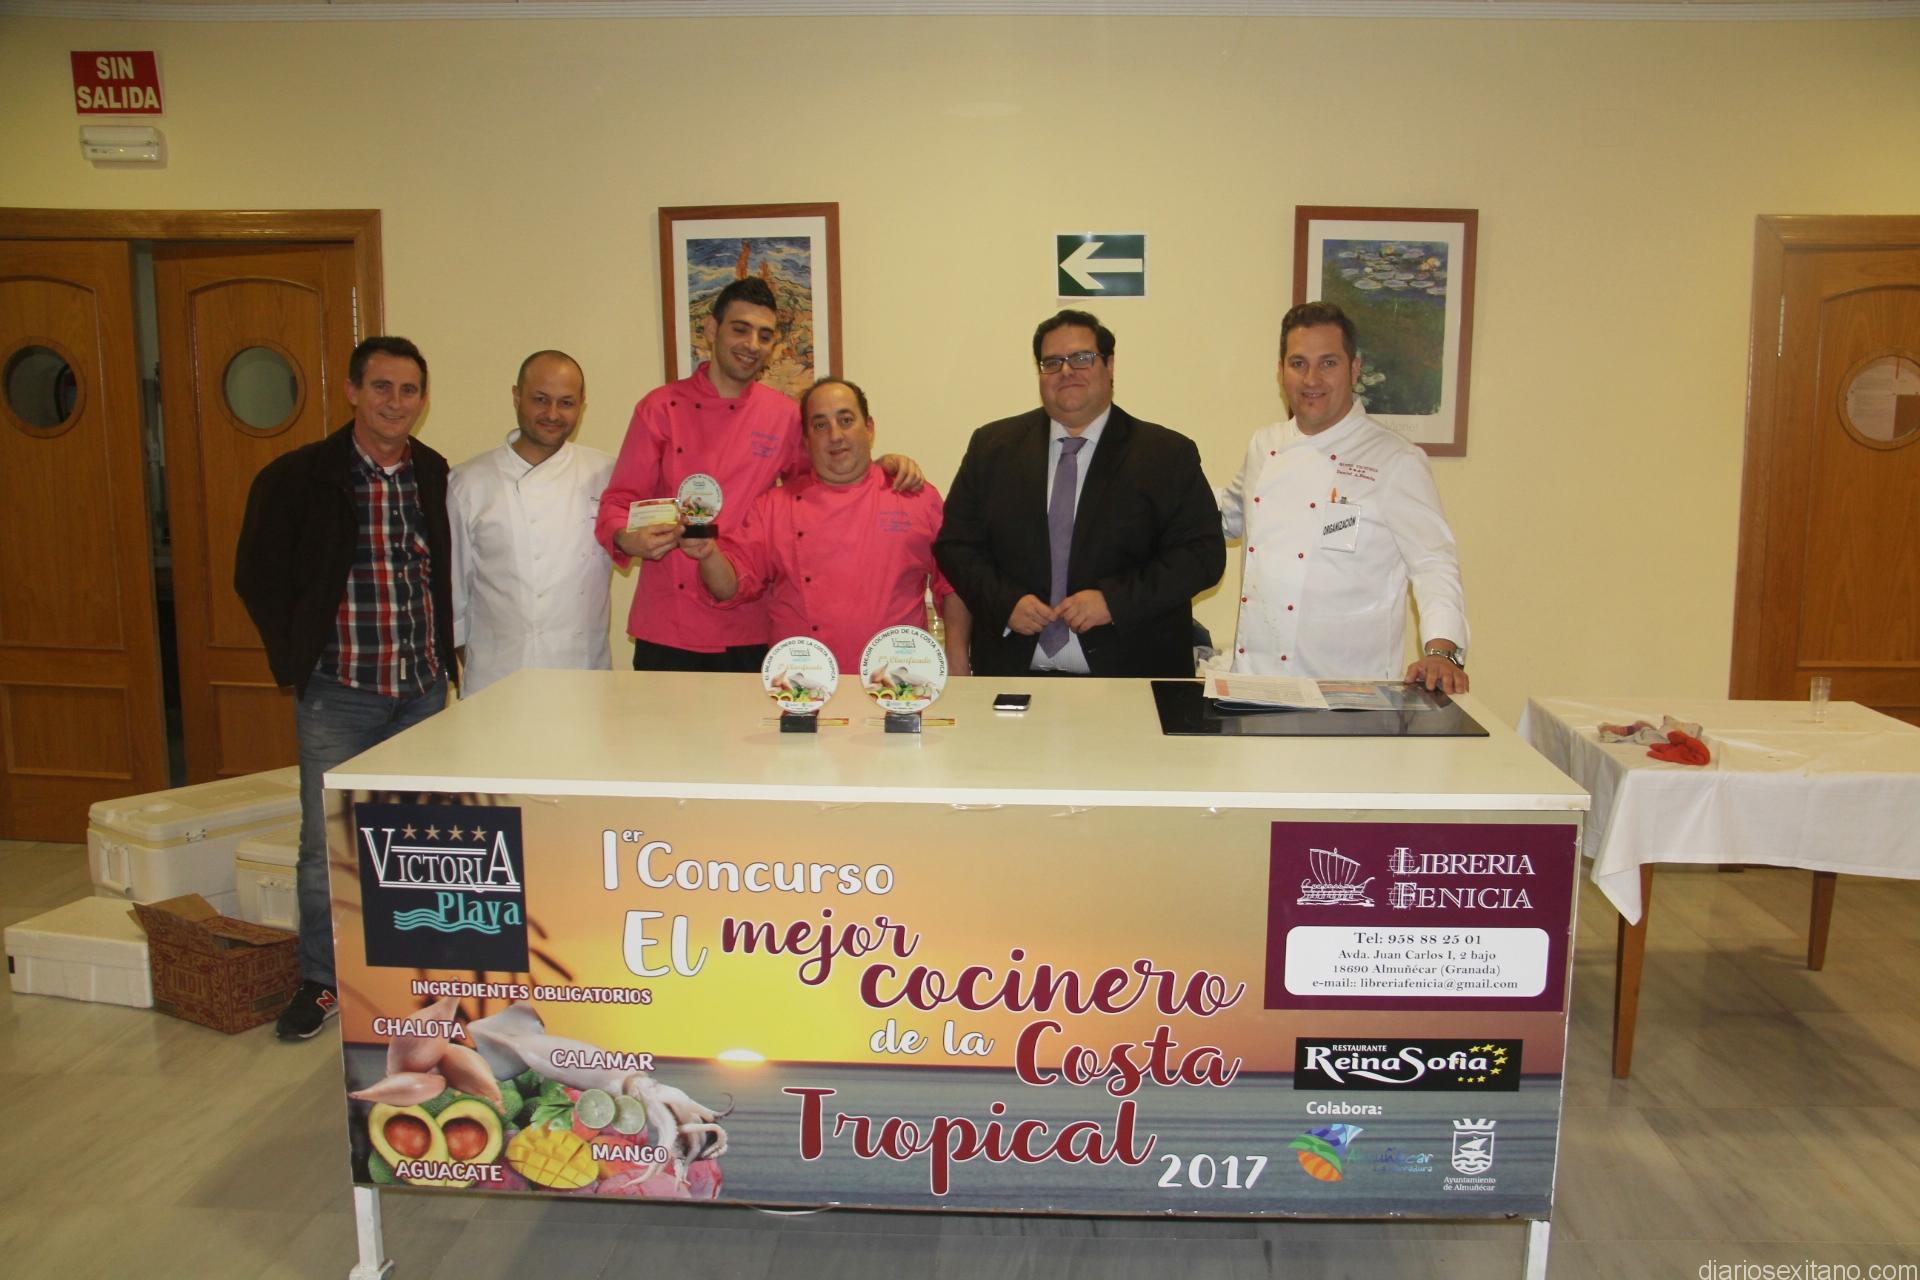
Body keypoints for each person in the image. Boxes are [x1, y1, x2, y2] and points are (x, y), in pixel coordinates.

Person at [234, 335, 453, 1041]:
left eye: (409, 390)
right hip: (340, 693)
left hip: (420, 693)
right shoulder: (300, 476)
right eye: (382, 387)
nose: (396, 402)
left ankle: (407, 978)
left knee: (417, 843)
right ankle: (323, 981)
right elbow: (257, 575)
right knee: (324, 845)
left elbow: (439, 573)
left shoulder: (433, 472)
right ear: (354, 391)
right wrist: (300, 656)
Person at [595, 277, 921, 672]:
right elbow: (619, 501)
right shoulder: (660, 408)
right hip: (668, 621)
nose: (752, 345)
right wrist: (627, 537)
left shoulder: (783, 416)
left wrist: (882, 465)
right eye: (740, 329)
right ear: (711, 329)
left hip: (750, 624)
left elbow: (824, 483)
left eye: (764, 336)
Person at [934, 309, 1223, 677]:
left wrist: (1114, 601)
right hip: (1013, 675)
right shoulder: (992, 448)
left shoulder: (1167, 455)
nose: (1066, 371)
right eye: (1052, 362)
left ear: (1110, 365)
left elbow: (1202, 555)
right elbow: (956, 546)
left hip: (1131, 680)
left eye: (1082, 358)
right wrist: (1005, 602)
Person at [1219, 301, 1469, 691]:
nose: (1311, 379)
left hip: (1350, 690)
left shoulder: (1394, 459)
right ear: (1281, 371)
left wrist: (1441, 651)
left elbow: (1433, 563)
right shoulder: (1264, 445)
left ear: (1354, 369)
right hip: (1256, 684)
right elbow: (1225, 514)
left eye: (1328, 363)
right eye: (1298, 363)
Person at [679, 378, 971, 674]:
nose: (835, 435)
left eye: (846, 420)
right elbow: (731, 586)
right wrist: (708, 553)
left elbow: (953, 583)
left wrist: (957, 661)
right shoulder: (775, 506)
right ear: (806, 441)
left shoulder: (915, 497)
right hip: (802, 681)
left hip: (897, 681)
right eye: (820, 425)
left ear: (869, 428)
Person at [448, 350, 615, 697]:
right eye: (540, 399)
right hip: (497, 681)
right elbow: (454, 597)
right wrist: (481, 664)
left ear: (582, 406)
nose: (552, 414)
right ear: (516, 396)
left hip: (584, 678)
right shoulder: (469, 481)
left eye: (566, 403)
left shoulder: (607, 474)